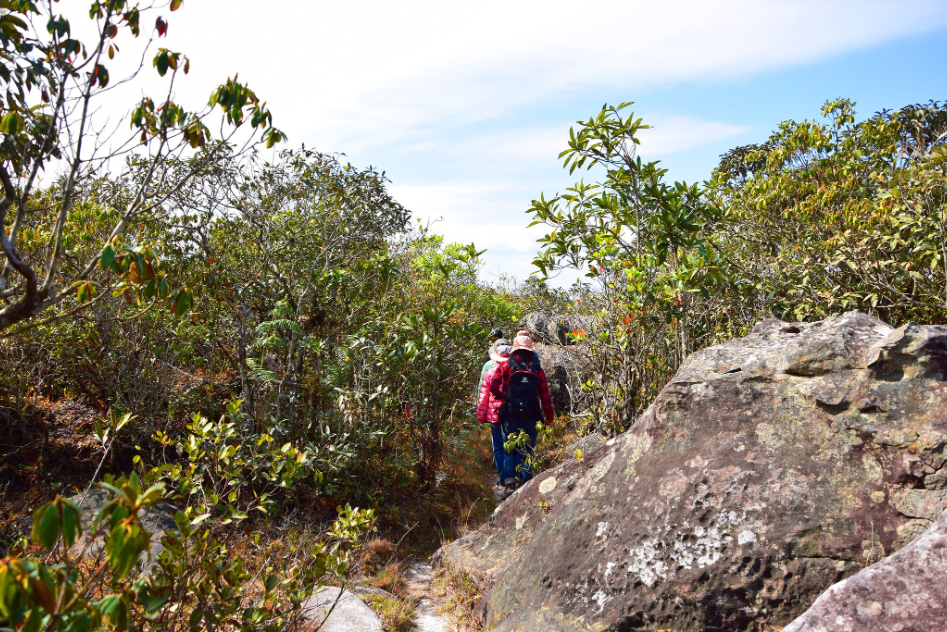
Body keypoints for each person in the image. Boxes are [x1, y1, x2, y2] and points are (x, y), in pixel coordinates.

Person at [490, 334, 554, 495]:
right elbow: (545, 397)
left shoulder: (505, 366)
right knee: (527, 452)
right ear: (530, 351)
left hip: (510, 417)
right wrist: (549, 418)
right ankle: (526, 486)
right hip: (531, 417)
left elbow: (493, 386)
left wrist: (504, 396)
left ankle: (510, 486)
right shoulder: (537, 370)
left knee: (509, 452)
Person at [476, 342, 512, 488]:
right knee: (510, 445)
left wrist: (480, 416)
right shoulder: (516, 371)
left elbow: (483, 396)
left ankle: (503, 477)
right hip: (511, 415)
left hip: (494, 415)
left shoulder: (488, 372)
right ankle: (512, 478)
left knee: (498, 447)